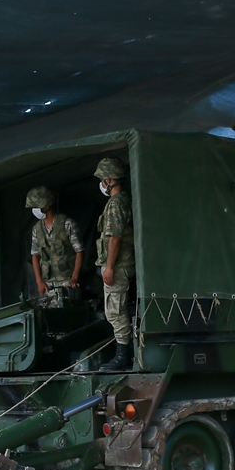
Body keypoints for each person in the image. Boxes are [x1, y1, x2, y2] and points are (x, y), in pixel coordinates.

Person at [94, 157, 136, 372]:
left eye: (102, 179)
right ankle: (124, 354)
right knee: (118, 310)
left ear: (108, 180)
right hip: (122, 263)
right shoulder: (123, 200)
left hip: (119, 265)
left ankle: (123, 357)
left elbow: (115, 238)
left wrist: (109, 266)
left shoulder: (117, 203)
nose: (101, 183)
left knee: (115, 312)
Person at [26, 185, 85, 303]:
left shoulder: (67, 224)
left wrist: (74, 278)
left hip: (67, 282)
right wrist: (39, 281)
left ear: (46, 206)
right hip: (48, 285)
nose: (34, 210)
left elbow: (80, 252)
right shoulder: (36, 229)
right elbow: (35, 256)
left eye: (36, 206)